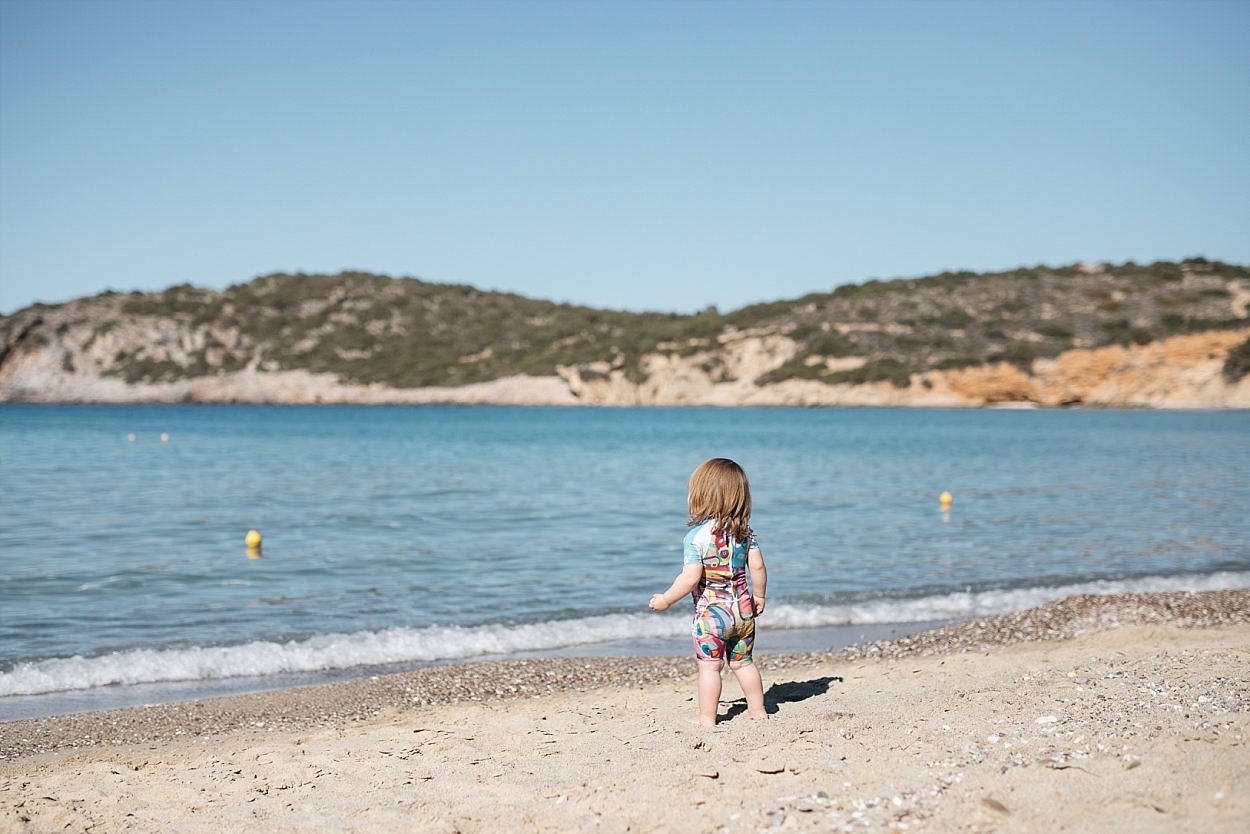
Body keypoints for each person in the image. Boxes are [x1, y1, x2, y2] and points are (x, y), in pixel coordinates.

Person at [650, 457, 768, 726]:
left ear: (701, 496)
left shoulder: (697, 537)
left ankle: (707, 716)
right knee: (743, 663)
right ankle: (758, 709)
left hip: (711, 618)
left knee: (710, 668)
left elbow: (690, 578)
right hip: (743, 611)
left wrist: (666, 600)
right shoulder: (746, 534)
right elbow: (758, 567)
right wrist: (759, 596)